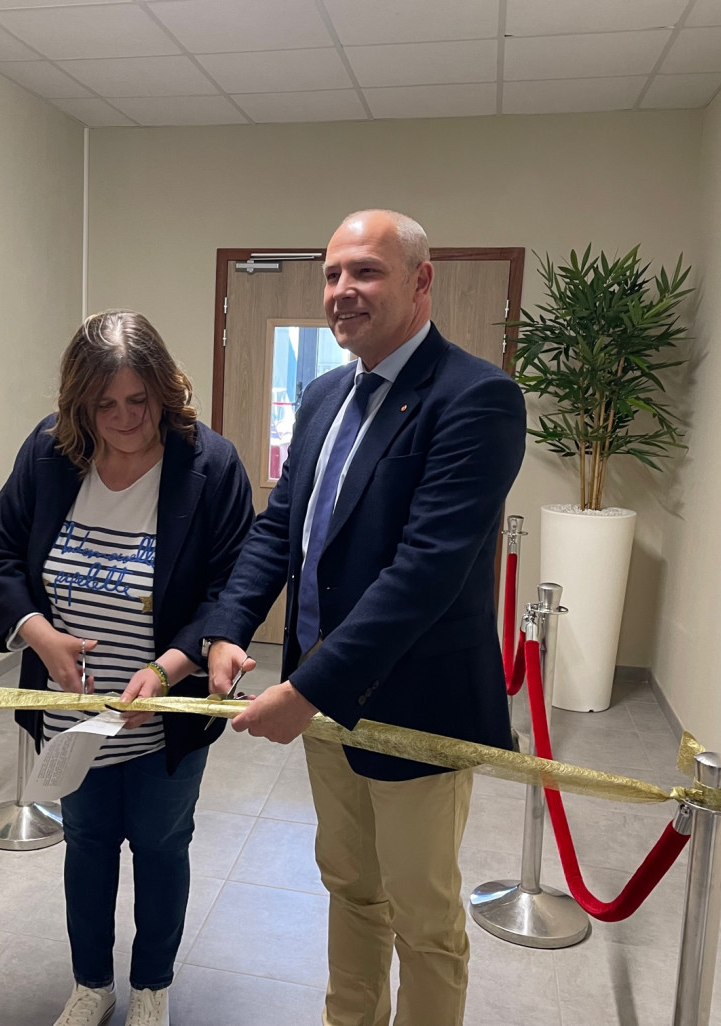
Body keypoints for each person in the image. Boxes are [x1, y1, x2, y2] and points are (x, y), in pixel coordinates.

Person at [203, 210, 526, 1026]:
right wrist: (229, 627)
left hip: (415, 706)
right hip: (325, 704)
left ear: (421, 281)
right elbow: (281, 527)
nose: (343, 291)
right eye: (333, 274)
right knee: (350, 886)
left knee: (423, 916)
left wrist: (308, 688)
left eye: (367, 272)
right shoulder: (320, 396)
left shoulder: (476, 397)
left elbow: (424, 574)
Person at [0, 310, 253, 1026]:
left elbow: (230, 585)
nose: (126, 419)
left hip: (164, 718)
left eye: (140, 400)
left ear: (165, 390)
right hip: (76, 721)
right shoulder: (49, 453)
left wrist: (166, 670)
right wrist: (37, 633)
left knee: (162, 845)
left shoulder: (209, 465)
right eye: (106, 404)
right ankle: (92, 983)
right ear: (79, 404)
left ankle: (152, 984)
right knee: (90, 846)